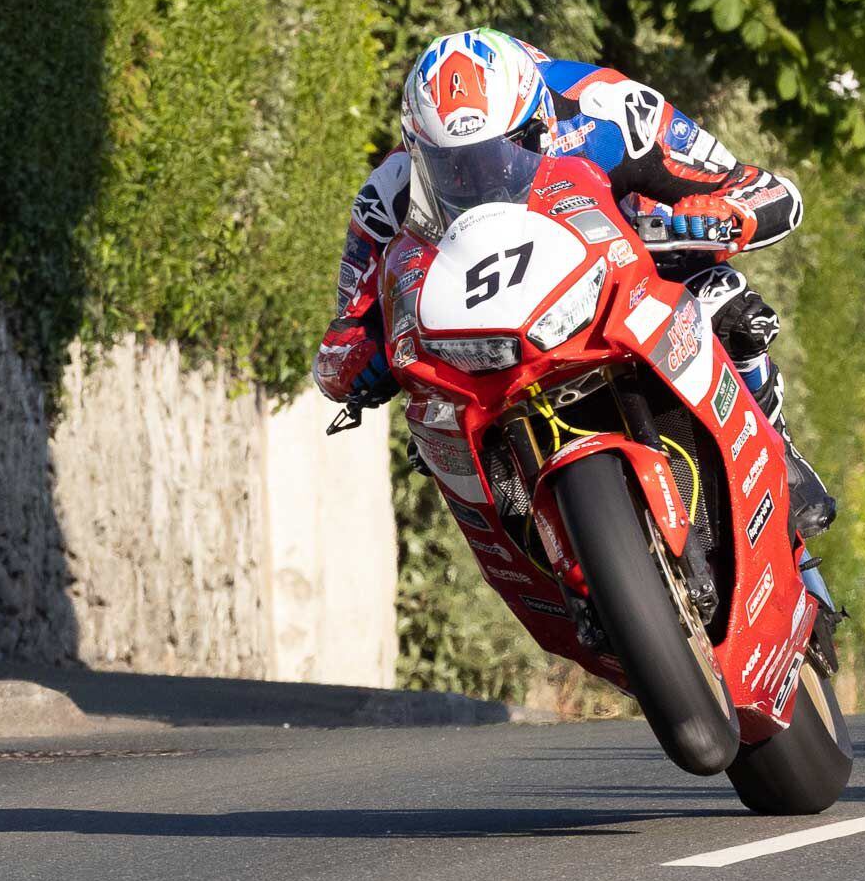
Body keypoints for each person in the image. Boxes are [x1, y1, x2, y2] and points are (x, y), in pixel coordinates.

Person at [313, 28, 836, 544]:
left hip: (623, 284)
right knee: (430, 432)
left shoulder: (609, 109)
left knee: (725, 299)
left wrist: (728, 215)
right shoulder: (387, 197)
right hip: (492, 352)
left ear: (539, 117)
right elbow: (345, 332)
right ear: (417, 150)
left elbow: (769, 192)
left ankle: (776, 450)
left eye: (506, 150)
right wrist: (362, 356)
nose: (482, 173)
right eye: (452, 165)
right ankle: (542, 565)